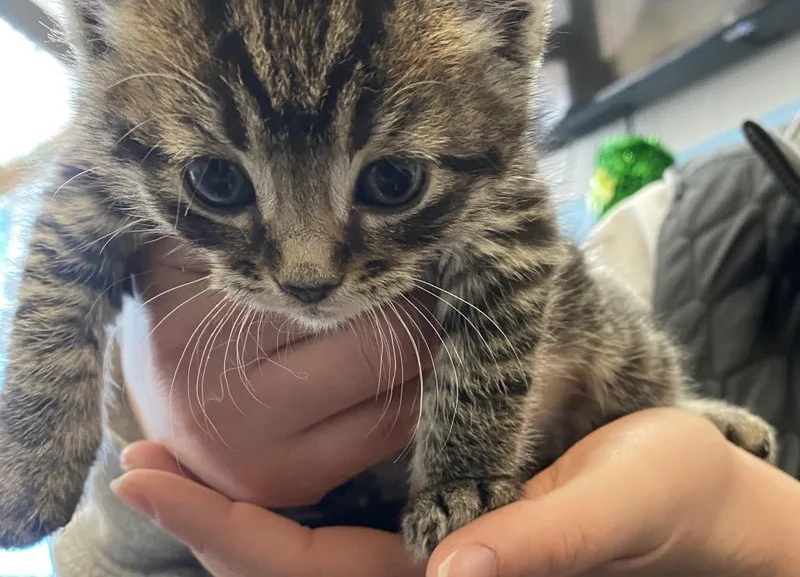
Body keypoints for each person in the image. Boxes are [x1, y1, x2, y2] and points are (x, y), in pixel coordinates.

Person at [52, 237, 800, 577]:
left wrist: (752, 523)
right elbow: (99, 556)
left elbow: (547, 264)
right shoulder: (699, 220)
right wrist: (134, 405)